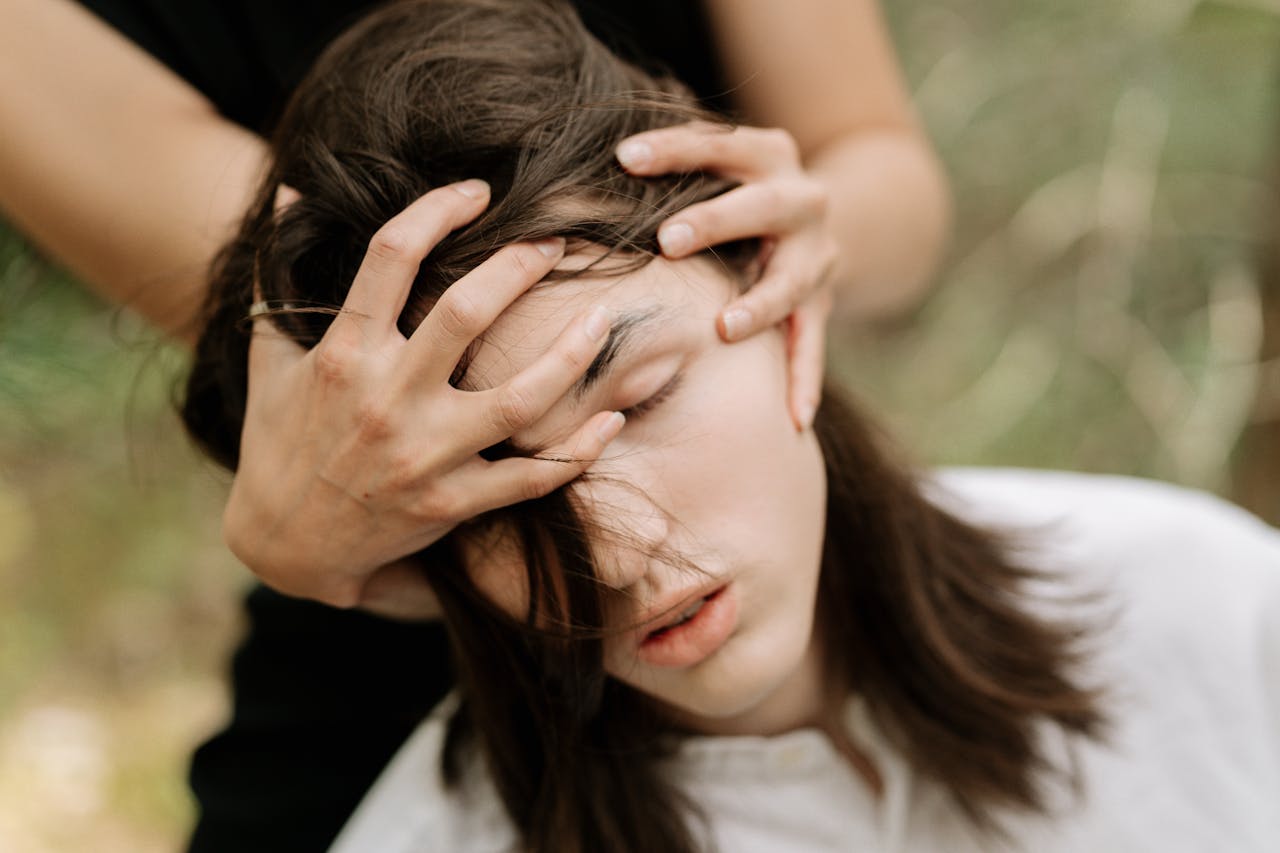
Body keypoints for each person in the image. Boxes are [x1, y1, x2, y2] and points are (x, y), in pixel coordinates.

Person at [184, 2, 1280, 850]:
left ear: (777, 280)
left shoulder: (1205, 606)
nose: (616, 556)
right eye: (491, 483)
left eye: (643, 398)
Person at [2, 0, 951, 846]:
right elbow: (343, 296)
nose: (622, 555)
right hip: (415, 553)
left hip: (756, 480)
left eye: (645, 393)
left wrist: (803, 237)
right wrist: (317, 560)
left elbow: (879, 163)